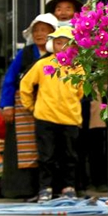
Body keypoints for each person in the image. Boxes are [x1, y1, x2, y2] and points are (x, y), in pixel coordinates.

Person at [19, 26, 84, 201]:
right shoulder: (42, 64)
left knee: (70, 156)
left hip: (70, 118)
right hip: (45, 117)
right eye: (58, 43)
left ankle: (68, 187)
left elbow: (81, 91)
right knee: (46, 156)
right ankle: (45, 188)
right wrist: (31, 107)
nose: (62, 47)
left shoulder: (78, 67)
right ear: (52, 45)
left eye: (66, 43)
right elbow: (25, 85)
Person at [0, 14, 57, 199]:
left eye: (44, 30)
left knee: (48, 146)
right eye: (36, 30)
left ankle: (48, 188)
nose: (39, 34)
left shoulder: (57, 55)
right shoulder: (25, 54)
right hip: (23, 107)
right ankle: (21, 189)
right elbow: (9, 79)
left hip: (50, 106)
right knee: (23, 148)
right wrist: (7, 105)